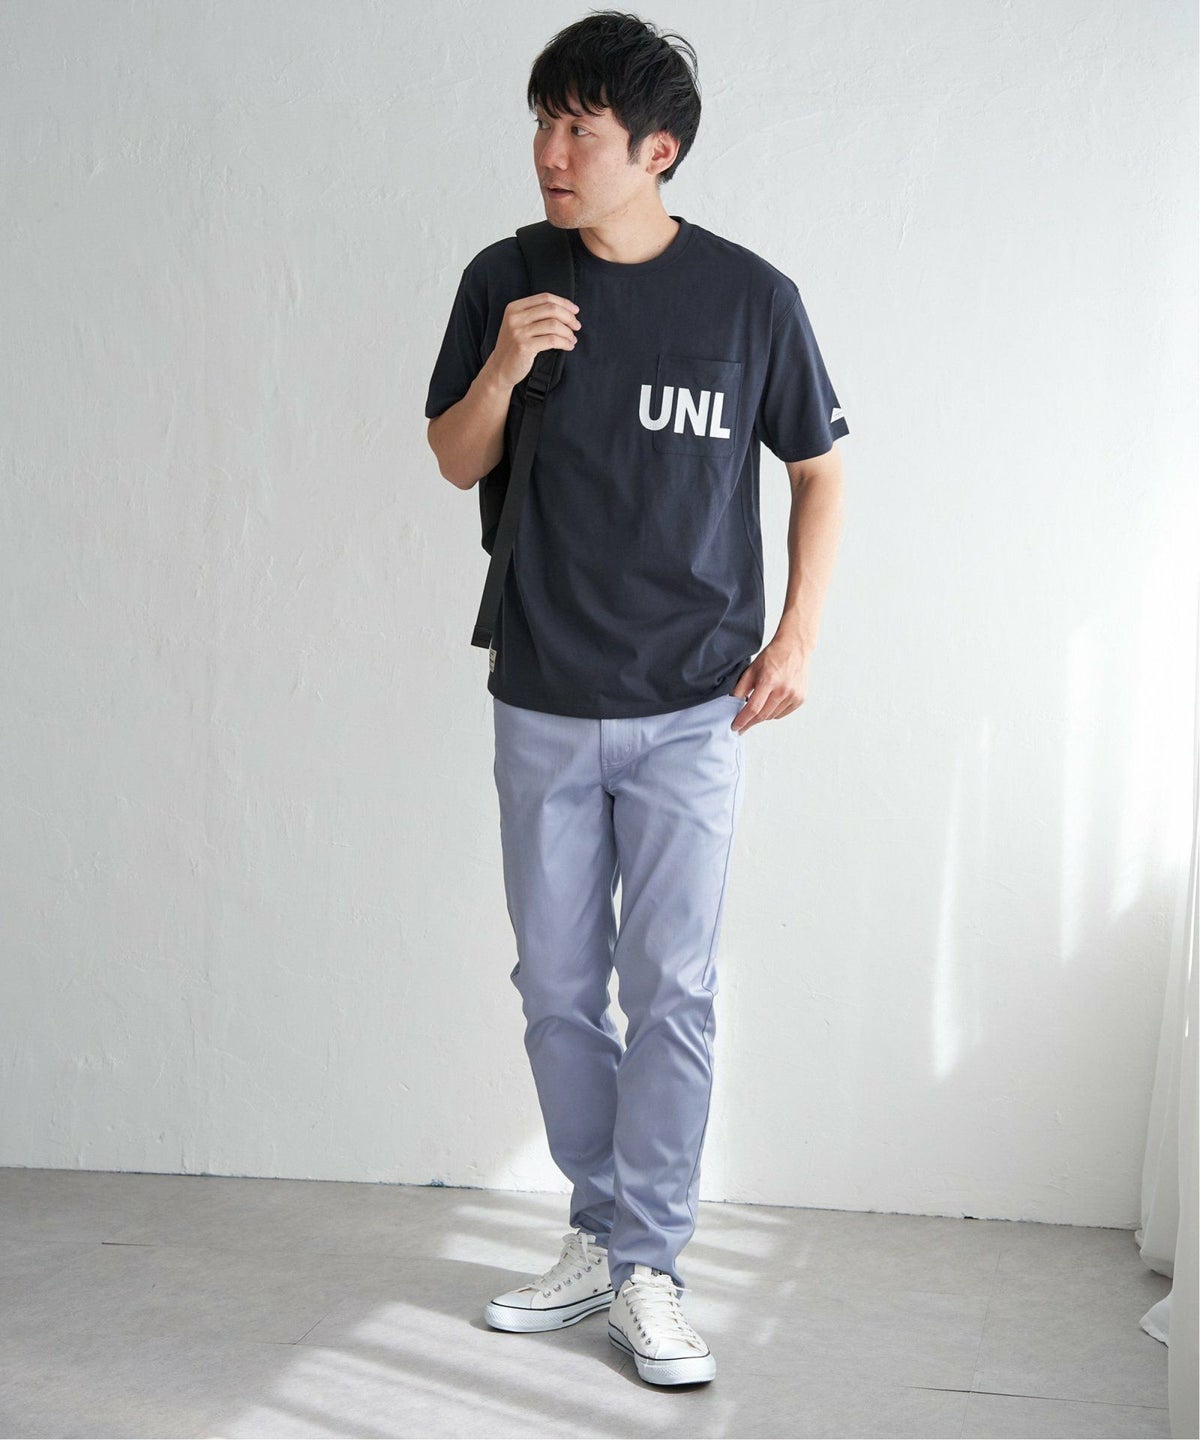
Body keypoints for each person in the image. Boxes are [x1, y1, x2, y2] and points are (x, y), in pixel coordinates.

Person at [424, 9, 848, 1388]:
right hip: (544, 695)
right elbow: (453, 458)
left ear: (655, 150)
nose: (550, 153)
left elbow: (819, 469)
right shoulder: (505, 278)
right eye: (542, 124)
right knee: (557, 988)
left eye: (580, 130)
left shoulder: (750, 300)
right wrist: (504, 364)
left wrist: (797, 636)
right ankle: (601, 1235)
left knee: (672, 989)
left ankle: (649, 1261)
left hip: (691, 707)